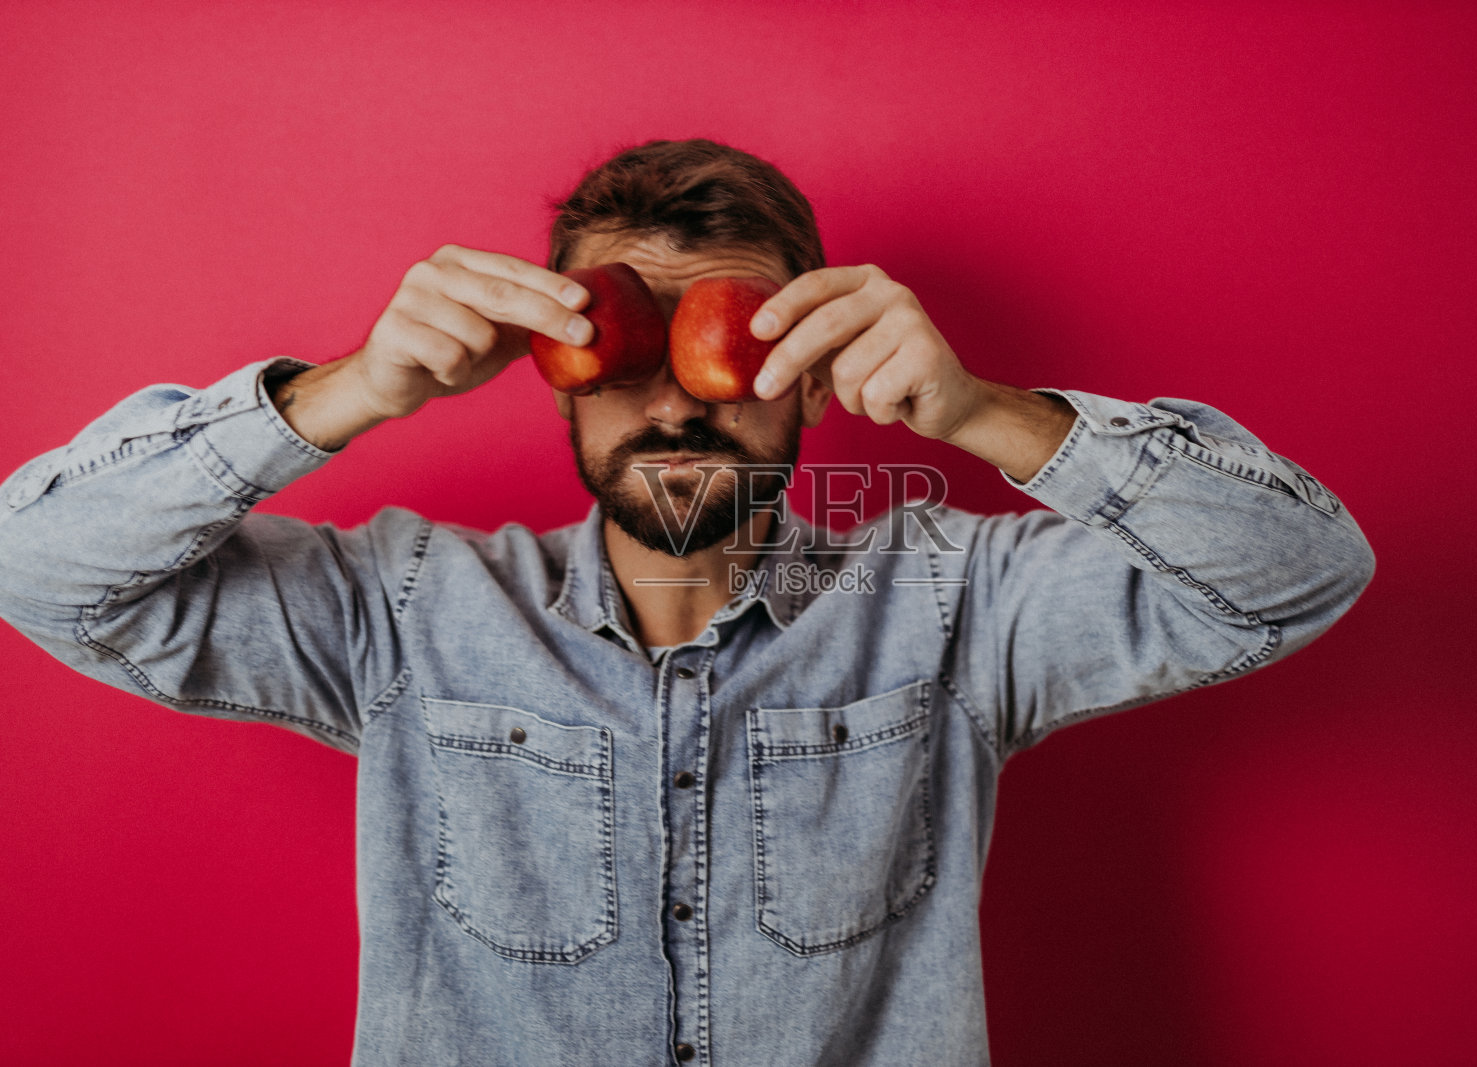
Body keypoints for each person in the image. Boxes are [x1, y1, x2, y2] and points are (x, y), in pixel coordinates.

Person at [0, 139, 1374, 1066]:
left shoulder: (955, 605)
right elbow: (39, 566)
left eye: (728, 349)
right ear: (553, 368)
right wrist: (350, 387)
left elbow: (1302, 567)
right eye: (620, 348)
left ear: (819, 370)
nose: (671, 404)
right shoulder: (404, 615)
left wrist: (983, 412)